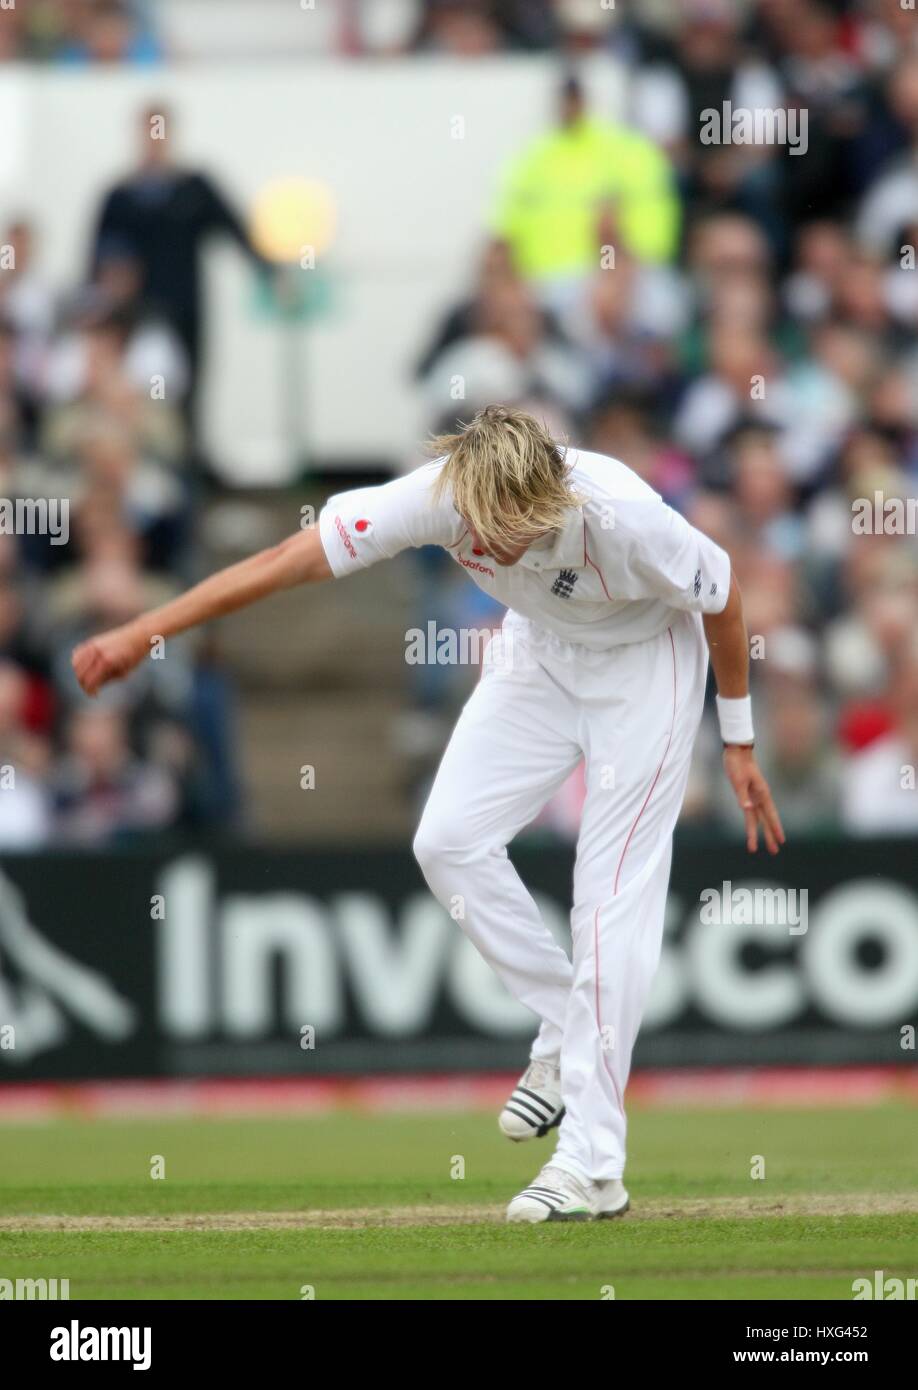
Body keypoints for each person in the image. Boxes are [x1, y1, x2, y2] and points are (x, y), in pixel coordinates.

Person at [71, 405, 784, 1222]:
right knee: (447, 842)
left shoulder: (622, 517)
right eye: (488, 527)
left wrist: (736, 739)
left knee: (607, 900)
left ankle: (593, 1165)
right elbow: (287, 560)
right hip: (542, 651)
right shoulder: (440, 496)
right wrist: (145, 630)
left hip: (647, 664)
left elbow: (722, 594)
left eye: (521, 526)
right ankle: (565, 1024)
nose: (499, 543)